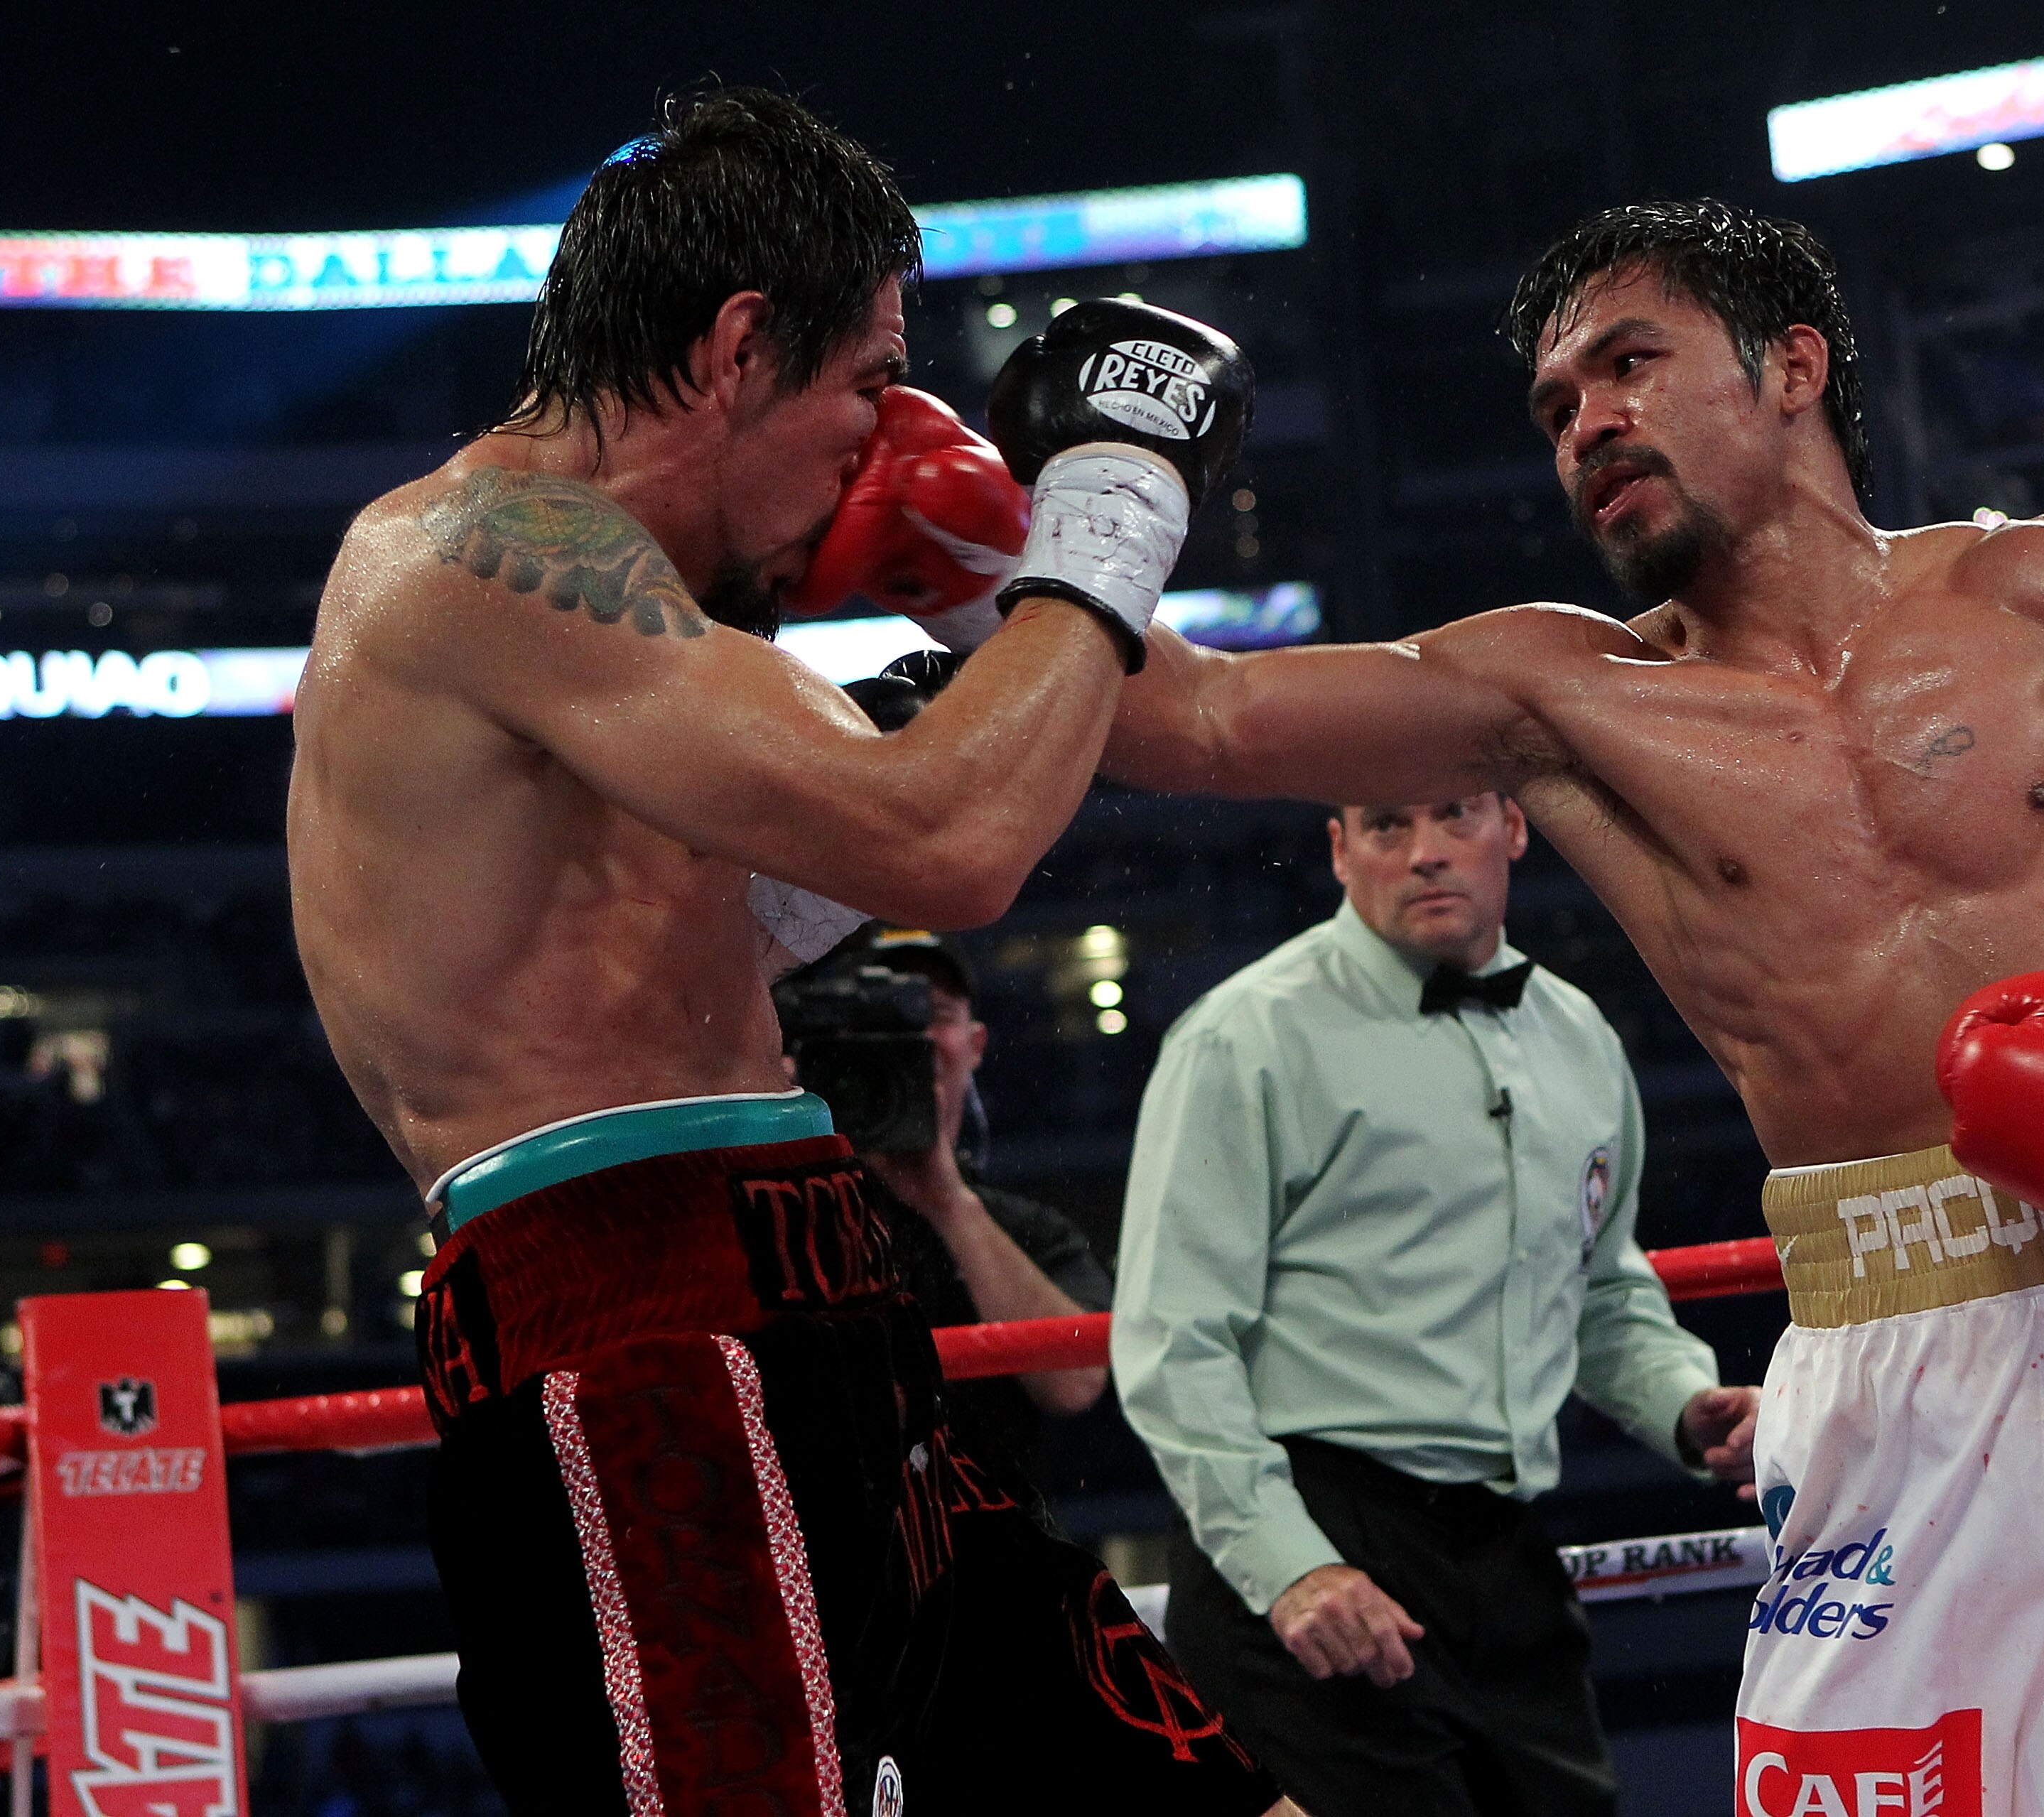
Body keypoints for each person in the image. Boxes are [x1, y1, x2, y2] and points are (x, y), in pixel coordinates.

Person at [1084, 200, 2044, 1815]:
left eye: (1628, 365)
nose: (1586, 420)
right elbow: (1201, 719)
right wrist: (1062, 510)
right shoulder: (1560, 693)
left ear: (1791, 365)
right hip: (1890, 1371)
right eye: (1554, 409)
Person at [286, 87, 1289, 1816]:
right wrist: (1110, 507)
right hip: (647, 1342)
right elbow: (950, 843)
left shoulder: (645, 638)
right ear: (741, 344)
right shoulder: (479, 557)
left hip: (827, 1301)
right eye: (871, 377)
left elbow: (737, 915)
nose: (888, 427)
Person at [1113, 788, 1753, 1816]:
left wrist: (1688, 1401)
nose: (1424, 855)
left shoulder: (1574, 1034)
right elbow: (1172, 1341)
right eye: (1386, 827)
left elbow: (1599, 1289)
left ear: (1512, 827)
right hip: (1309, 1532)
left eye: (1454, 818)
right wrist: (1288, 1567)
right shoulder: (1247, 1035)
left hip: (1501, 1553)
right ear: (1338, 850)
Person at [845, 925, 1115, 1479]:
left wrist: (948, 1201)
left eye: (936, 1013)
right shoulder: (804, 1218)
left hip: (1001, 1544)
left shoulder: (1029, 1229)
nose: (916, 1038)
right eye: (892, 1016)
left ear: (975, 1044)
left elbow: (1075, 1383)